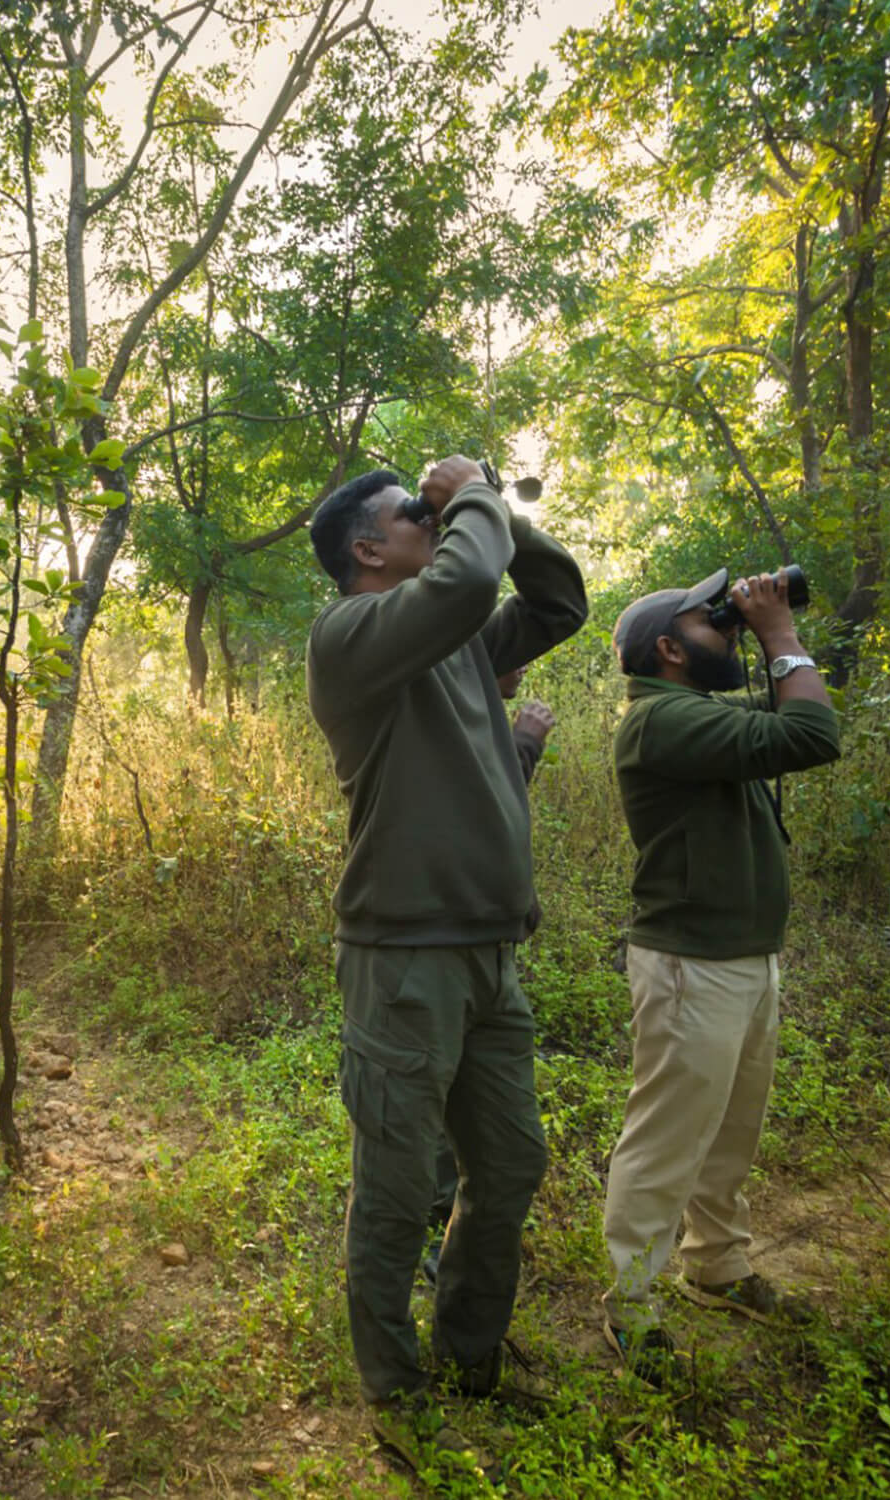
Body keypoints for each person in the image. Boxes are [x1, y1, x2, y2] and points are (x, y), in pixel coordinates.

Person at [305, 457, 587, 1464]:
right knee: (395, 1182)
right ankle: (394, 1386)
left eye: (436, 511)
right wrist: (467, 488)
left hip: (491, 957)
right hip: (403, 962)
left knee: (508, 1162)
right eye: (411, 514)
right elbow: (469, 580)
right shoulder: (346, 638)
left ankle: (473, 1360)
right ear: (368, 551)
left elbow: (559, 601)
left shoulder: (460, 645)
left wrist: (496, 507)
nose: (436, 521)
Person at [601, 568, 839, 1384]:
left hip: (741, 958)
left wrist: (768, 631)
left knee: (732, 1132)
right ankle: (631, 1305)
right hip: (690, 967)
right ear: (669, 649)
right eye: (714, 622)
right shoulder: (658, 722)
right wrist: (776, 631)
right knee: (668, 1139)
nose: (730, 629)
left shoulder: (695, 712)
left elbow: (791, 709)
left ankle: (718, 1265)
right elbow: (811, 734)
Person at [420, 668, 556, 1286]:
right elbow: (472, 804)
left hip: (482, 942)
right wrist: (522, 745)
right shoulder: (442, 712)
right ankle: (438, 1220)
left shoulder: (471, 714)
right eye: (507, 653)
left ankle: (449, 1215)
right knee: (440, 1090)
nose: (520, 668)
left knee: (468, 1101)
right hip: (438, 944)